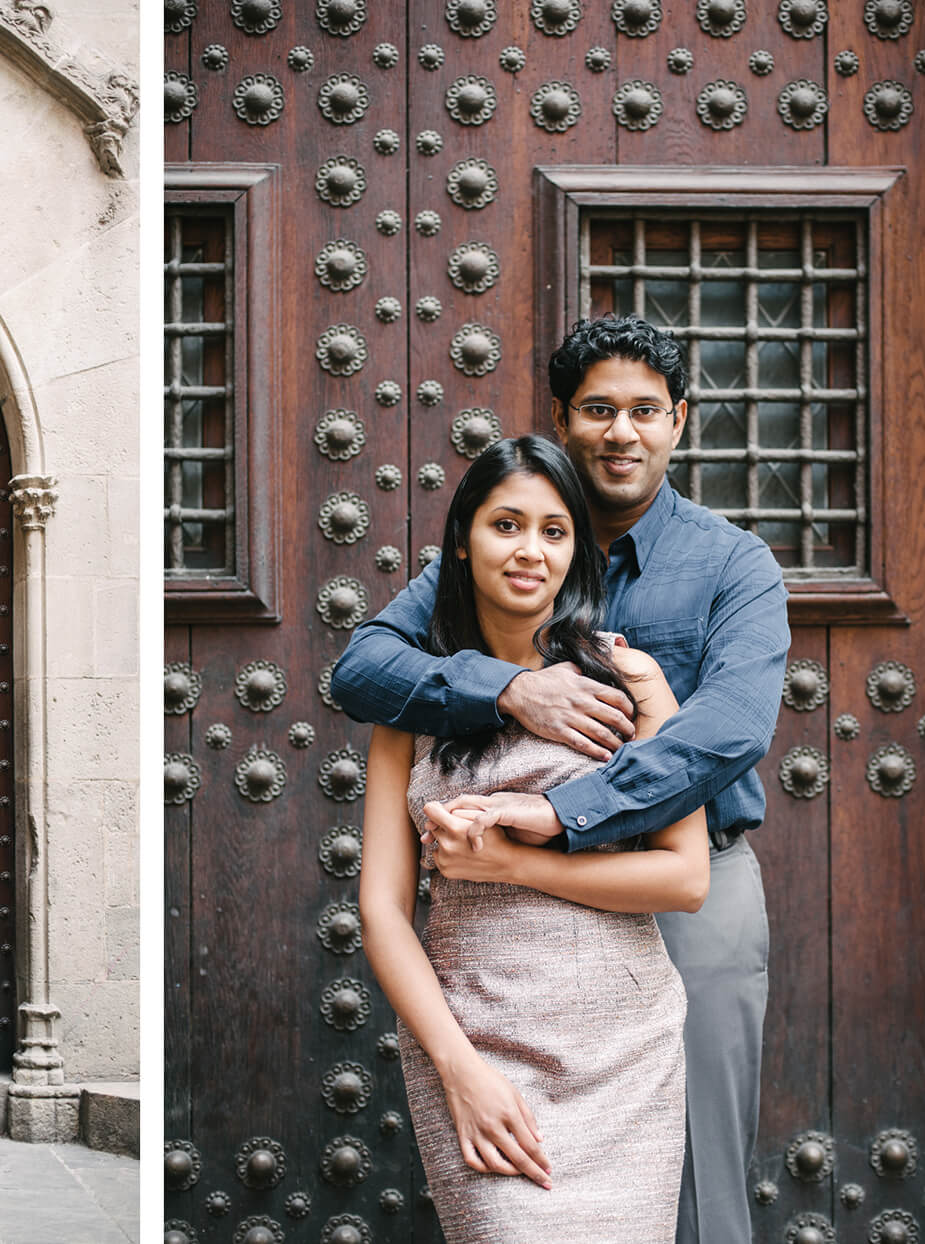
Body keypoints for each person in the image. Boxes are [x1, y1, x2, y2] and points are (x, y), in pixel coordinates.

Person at [335, 315, 789, 1243]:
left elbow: (730, 731)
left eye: (645, 412)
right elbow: (363, 669)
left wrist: (556, 814)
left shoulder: (732, 564)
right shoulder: (502, 537)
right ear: (564, 417)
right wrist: (511, 690)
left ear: (679, 423)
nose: (621, 432)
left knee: (699, 1187)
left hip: (682, 883)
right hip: (501, 944)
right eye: (598, 410)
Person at [360, 434, 709, 1241]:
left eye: (554, 532)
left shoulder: (631, 681)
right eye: (506, 525)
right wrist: (459, 1071)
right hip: (479, 1043)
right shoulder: (409, 700)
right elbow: (381, 911)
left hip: (624, 1050)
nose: (530, 551)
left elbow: (684, 878)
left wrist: (514, 864)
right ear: (461, 539)